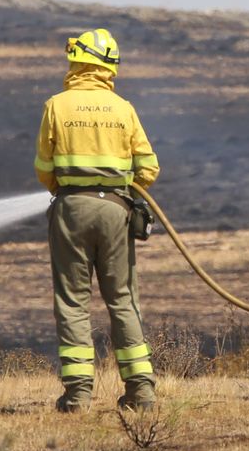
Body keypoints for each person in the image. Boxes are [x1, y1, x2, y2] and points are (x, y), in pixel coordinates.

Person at [34, 28, 161, 412]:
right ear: (109, 67)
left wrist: (68, 189)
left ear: (78, 61)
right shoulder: (123, 109)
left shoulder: (57, 106)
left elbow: (44, 168)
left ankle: (78, 396)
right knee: (122, 298)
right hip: (116, 211)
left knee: (73, 302)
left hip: (71, 209)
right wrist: (122, 190)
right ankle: (141, 392)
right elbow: (149, 167)